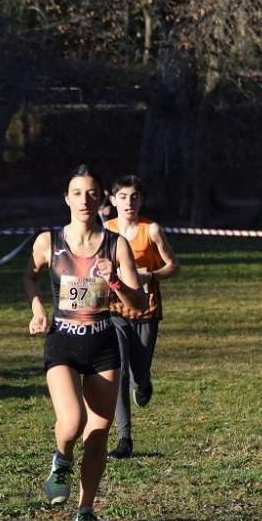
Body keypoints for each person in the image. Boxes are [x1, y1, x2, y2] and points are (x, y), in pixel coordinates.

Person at [23, 164, 145, 521]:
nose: (85, 200)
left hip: (103, 342)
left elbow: (138, 304)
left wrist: (114, 282)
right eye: (77, 192)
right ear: (66, 198)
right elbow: (29, 274)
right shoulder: (48, 241)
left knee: (99, 432)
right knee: (73, 421)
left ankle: (86, 510)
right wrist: (38, 308)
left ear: (101, 199)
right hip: (63, 340)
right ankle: (61, 458)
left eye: (92, 193)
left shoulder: (116, 245)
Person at [104, 175, 180, 459]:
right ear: (112, 201)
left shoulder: (152, 230)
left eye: (134, 197)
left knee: (139, 372)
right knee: (119, 369)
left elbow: (174, 266)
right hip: (115, 309)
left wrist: (150, 275)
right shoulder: (106, 230)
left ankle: (144, 384)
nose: (128, 203)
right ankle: (124, 439)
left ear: (141, 200)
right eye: (122, 197)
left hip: (146, 309)